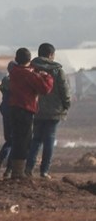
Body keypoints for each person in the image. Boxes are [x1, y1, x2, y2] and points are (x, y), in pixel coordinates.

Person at [6, 48, 53, 179]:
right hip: (25, 109)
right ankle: (18, 172)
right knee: (24, 140)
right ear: (29, 59)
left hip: (14, 108)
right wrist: (46, 76)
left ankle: (15, 170)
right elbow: (45, 89)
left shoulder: (14, 71)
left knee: (16, 139)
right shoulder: (29, 75)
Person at [25, 43, 71, 179]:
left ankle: (29, 168)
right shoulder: (57, 71)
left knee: (36, 139)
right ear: (51, 55)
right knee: (49, 140)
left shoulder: (32, 69)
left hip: (36, 109)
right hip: (54, 111)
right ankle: (44, 171)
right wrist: (66, 105)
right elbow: (65, 91)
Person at [0, 61, 16, 178]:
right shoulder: (18, 81)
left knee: (9, 140)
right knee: (15, 142)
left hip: (6, 111)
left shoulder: (5, 80)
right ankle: (9, 169)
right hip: (16, 112)